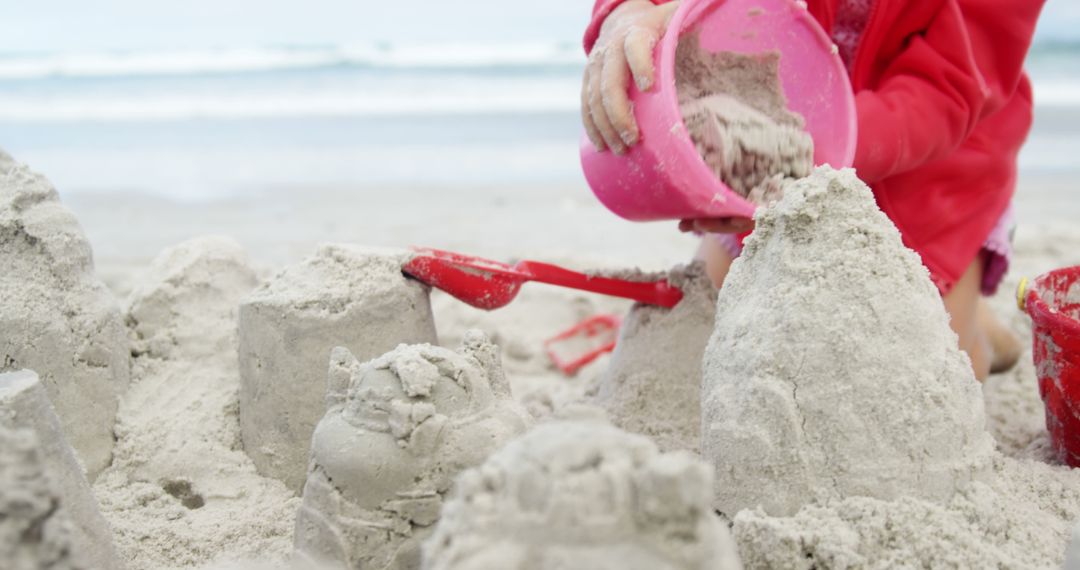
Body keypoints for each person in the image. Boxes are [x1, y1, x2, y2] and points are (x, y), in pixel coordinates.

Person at [580, 0, 1045, 381]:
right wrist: (632, 10)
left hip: (935, 167)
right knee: (706, 318)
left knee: (937, 366)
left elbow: (945, 88)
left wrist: (796, 151)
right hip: (783, 109)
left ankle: (979, 329)